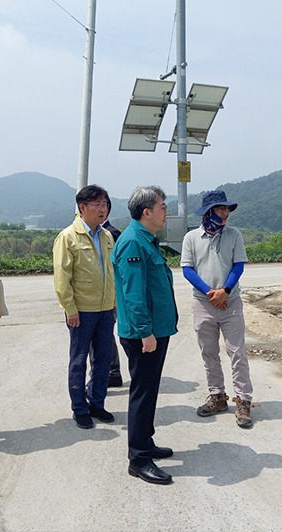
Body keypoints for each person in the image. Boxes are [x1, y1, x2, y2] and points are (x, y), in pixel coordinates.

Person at [112, 185, 178, 485]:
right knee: (141, 391)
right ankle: (138, 458)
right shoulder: (132, 243)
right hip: (144, 334)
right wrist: (144, 332)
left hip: (154, 330)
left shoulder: (146, 240)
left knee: (150, 389)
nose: (166, 212)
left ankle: (146, 441)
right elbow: (134, 294)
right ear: (146, 211)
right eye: (162, 206)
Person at [181, 190, 254, 429]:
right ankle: (217, 396)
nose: (224, 213)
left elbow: (238, 265)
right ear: (208, 212)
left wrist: (225, 290)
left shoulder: (234, 235)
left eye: (226, 209)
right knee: (209, 352)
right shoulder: (191, 237)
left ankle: (243, 400)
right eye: (220, 209)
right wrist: (210, 293)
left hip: (230, 302)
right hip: (203, 303)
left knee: (237, 352)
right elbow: (188, 270)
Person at [53, 185, 117, 429]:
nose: (103, 209)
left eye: (105, 205)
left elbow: (111, 273)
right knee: (79, 360)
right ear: (82, 208)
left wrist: (112, 304)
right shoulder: (68, 237)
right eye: (97, 205)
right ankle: (79, 408)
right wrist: (70, 309)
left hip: (105, 310)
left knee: (103, 359)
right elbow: (62, 278)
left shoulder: (106, 236)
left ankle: (97, 403)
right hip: (81, 311)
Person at [100, 209, 124, 387]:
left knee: (105, 335)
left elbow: (119, 267)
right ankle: (110, 371)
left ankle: (112, 371)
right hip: (100, 294)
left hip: (110, 294)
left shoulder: (112, 233)